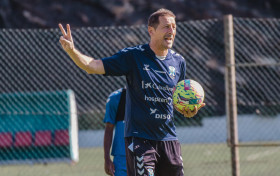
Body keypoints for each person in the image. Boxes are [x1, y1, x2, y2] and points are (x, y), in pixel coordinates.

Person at [59, 8, 205, 176]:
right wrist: (71, 50)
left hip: (169, 140)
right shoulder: (134, 56)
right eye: (166, 27)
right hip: (140, 140)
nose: (171, 31)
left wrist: (187, 109)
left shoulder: (179, 62)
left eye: (174, 26)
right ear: (151, 31)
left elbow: (177, 98)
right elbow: (93, 66)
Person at [103, 88, 127, 176]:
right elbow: (109, 128)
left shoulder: (149, 96)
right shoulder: (116, 98)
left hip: (146, 155)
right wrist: (107, 158)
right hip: (121, 158)